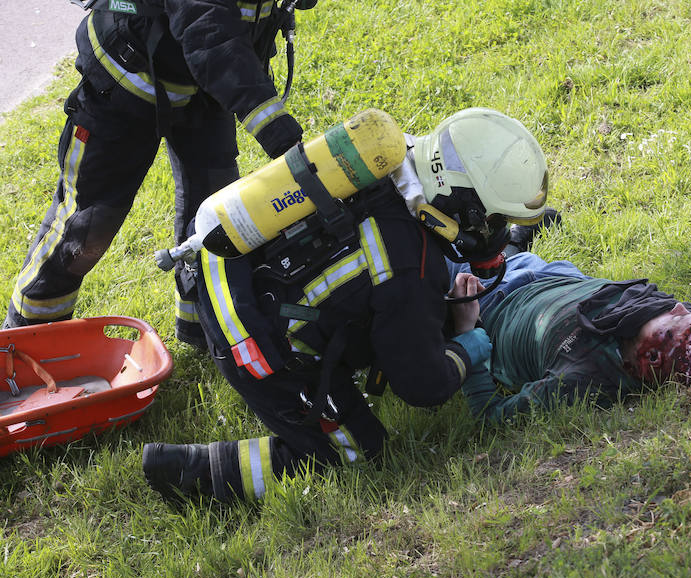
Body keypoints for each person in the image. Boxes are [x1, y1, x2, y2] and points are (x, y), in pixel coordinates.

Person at [141, 107, 551, 502]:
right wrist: (468, 343)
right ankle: (193, 471)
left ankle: (194, 332)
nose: (490, 233)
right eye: (492, 221)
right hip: (248, 334)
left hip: (219, 258)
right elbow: (423, 386)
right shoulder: (410, 270)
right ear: (458, 201)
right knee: (357, 452)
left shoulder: (392, 159)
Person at [4, 0, 312, 348]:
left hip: (204, 87)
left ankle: (205, 332)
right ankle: (25, 344)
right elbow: (209, 35)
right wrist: (282, 137)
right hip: (127, 75)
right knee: (88, 228)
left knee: (213, 218)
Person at [449, 222, 691, 423]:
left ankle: (509, 241)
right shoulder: (649, 310)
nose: (678, 307)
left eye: (662, 366)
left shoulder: (578, 381)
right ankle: (513, 240)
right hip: (557, 274)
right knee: (482, 233)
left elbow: (489, 415)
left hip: (486, 298)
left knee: (435, 235)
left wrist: (467, 331)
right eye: (670, 334)